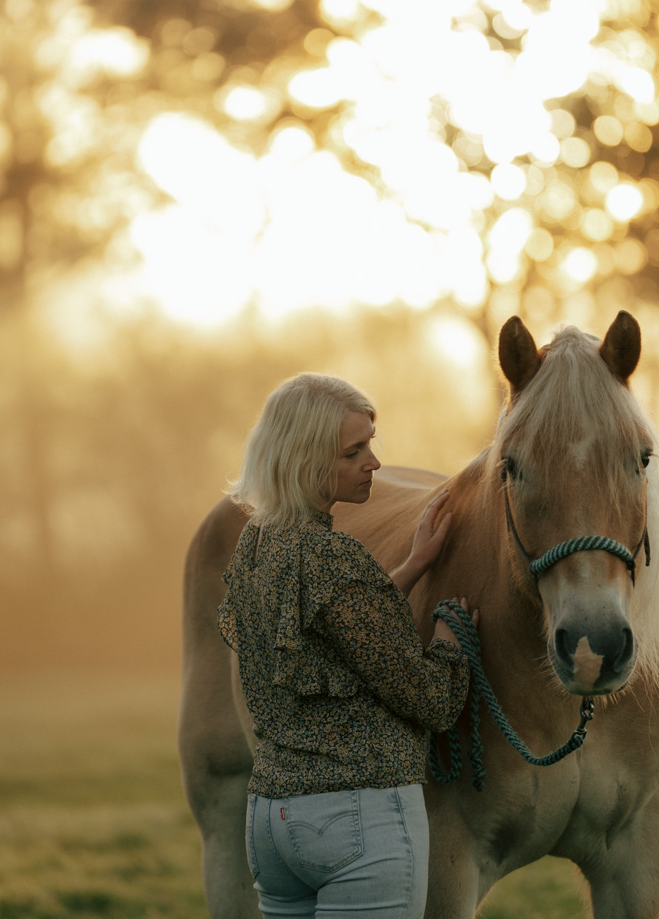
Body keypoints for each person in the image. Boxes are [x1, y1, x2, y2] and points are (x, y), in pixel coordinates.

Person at [217, 372, 477, 919]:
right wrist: (452, 645)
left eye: (370, 446)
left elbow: (333, 630)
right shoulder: (331, 557)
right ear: (306, 460)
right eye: (354, 452)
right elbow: (431, 700)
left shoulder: (257, 545)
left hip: (272, 822)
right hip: (358, 820)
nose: (375, 464)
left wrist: (411, 568)